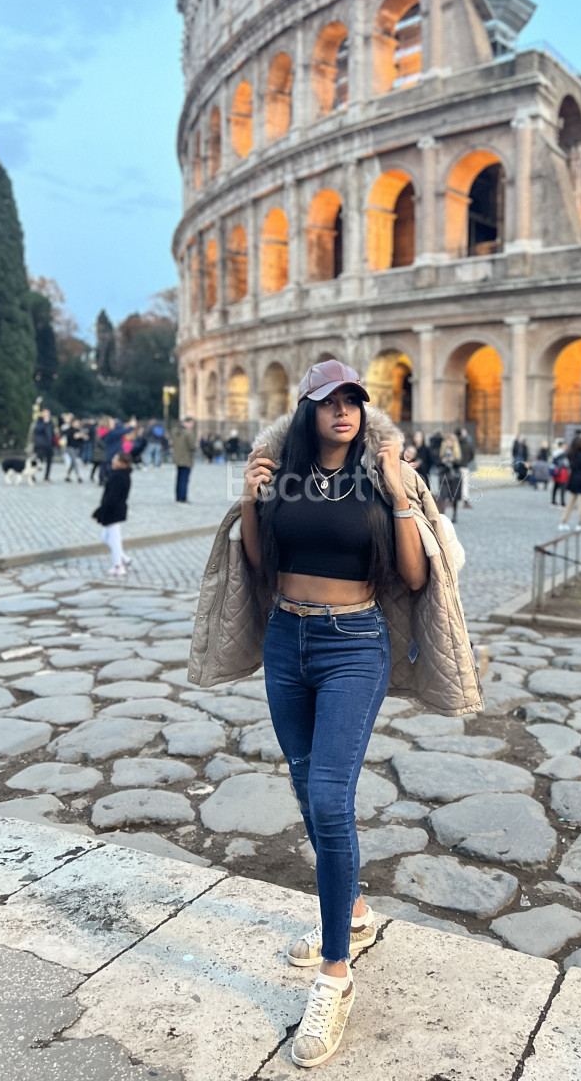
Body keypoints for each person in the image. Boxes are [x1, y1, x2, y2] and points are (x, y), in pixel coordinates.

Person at [187, 358, 480, 1069]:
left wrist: (400, 493)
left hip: (354, 644)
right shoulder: (284, 475)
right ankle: (351, 913)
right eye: (329, 401)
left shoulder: (379, 477)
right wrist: (252, 502)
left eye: (353, 400)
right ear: (307, 412)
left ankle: (335, 975)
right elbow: (259, 564)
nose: (343, 410)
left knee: (328, 797)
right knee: (304, 783)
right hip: (287, 641)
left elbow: (415, 575)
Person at [92, 451, 132, 576]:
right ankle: (123, 557)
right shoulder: (121, 475)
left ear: (122, 463)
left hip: (113, 511)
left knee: (114, 539)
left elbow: (111, 497)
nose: (113, 461)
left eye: (116, 459)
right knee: (106, 537)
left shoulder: (118, 477)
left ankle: (118, 566)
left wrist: (101, 510)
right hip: (115, 510)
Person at [558, 433, 581, 531]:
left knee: (571, 502)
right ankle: (579, 523)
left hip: (574, 479)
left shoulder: (571, 453)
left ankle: (563, 521)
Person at [435, 433, 463, 521]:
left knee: (454, 497)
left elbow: (460, 463)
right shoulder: (442, 451)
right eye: (447, 441)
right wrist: (442, 461)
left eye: (450, 441)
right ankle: (442, 515)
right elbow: (436, 462)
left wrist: (453, 460)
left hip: (454, 477)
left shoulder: (457, 452)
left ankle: (454, 514)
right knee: (443, 496)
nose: (448, 443)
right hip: (444, 476)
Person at [171, 416, 196, 502]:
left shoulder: (175, 431)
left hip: (178, 457)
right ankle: (183, 497)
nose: (192, 426)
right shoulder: (188, 433)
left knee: (179, 479)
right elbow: (192, 446)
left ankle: (178, 496)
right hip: (186, 458)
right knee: (184, 479)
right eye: (191, 424)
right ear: (188, 423)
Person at [32, 408, 56, 481]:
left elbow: (52, 433)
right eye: (45, 413)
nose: (47, 415)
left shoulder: (51, 423)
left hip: (49, 445)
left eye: (48, 413)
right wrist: (45, 423)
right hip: (41, 445)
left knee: (49, 461)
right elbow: (37, 430)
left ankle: (46, 477)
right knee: (39, 460)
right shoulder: (39, 421)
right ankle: (32, 475)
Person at [63, 417, 86, 483]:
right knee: (74, 461)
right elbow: (70, 437)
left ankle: (67, 475)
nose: (77, 424)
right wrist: (77, 436)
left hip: (77, 447)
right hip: (70, 447)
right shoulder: (69, 430)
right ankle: (78, 476)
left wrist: (82, 436)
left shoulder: (79, 430)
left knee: (73, 462)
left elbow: (83, 439)